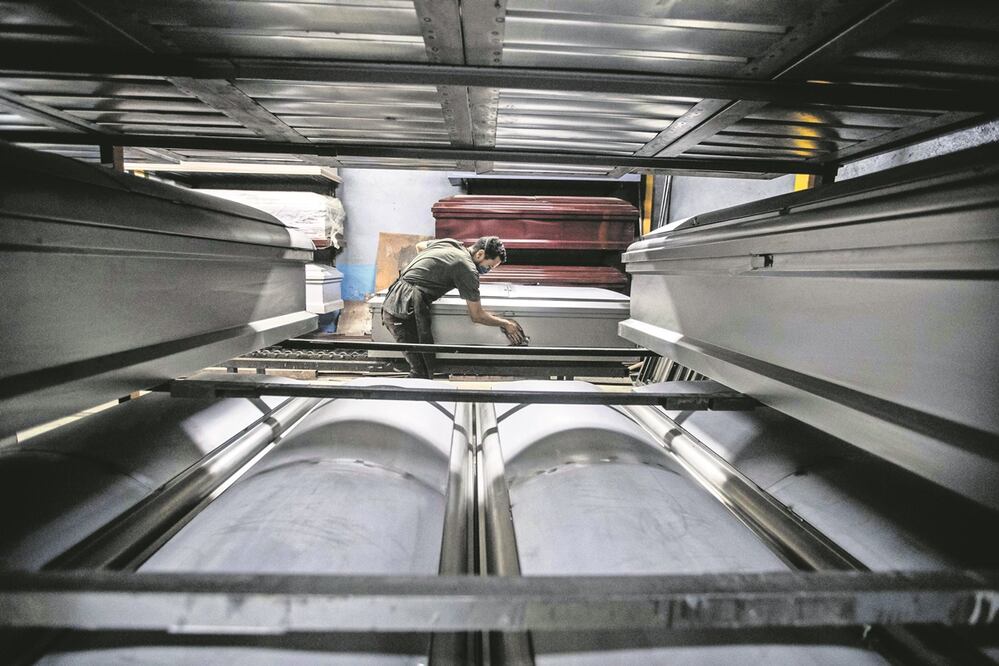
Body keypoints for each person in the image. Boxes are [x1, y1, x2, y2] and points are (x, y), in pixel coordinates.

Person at [381, 236, 526, 379]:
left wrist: (431, 274)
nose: (488, 270)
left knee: (426, 363)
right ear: (480, 254)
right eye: (489, 266)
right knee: (422, 371)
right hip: (404, 307)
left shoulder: (452, 244)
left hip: (397, 296)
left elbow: (420, 246)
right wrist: (506, 323)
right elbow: (477, 315)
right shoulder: (468, 269)